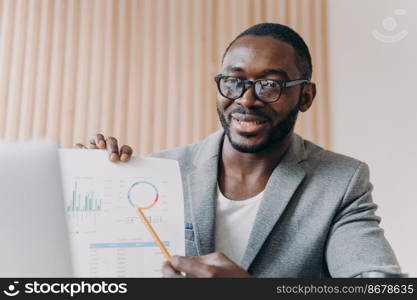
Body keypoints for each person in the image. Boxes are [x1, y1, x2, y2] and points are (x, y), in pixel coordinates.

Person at [76, 23, 401, 278]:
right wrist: (92, 181)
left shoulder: (340, 181)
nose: (246, 99)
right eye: (233, 82)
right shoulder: (161, 173)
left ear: (305, 96)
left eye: (270, 85)